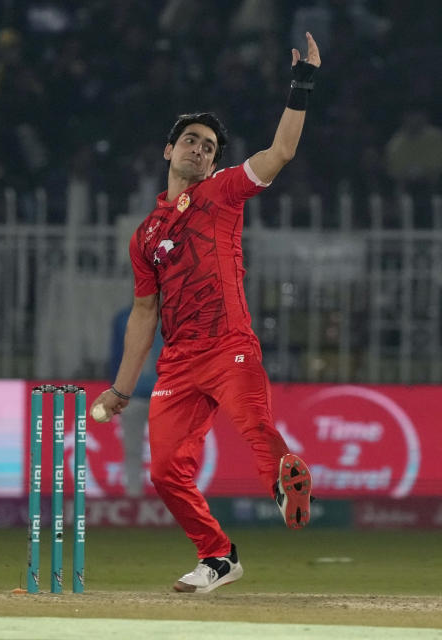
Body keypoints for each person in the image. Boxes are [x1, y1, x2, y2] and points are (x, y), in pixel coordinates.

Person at [91, 32, 320, 594]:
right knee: (166, 471)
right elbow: (145, 313)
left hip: (229, 345)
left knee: (256, 425)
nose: (199, 150)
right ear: (168, 151)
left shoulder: (223, 192)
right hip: (179, 363)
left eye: (209, 147)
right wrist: (121, 390)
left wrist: (302, 85)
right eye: (190, 142)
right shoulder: (145, 235)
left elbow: (281, 152)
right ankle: (218, 556)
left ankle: (283, 483)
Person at [109, 305, 162, 497]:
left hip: (163, 396)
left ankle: (167, 496)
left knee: (166, 452)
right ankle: (134, 496)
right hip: (134, 395)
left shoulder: (174, 317)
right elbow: (116, 357)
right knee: (132, 449)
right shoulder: (123, 318)